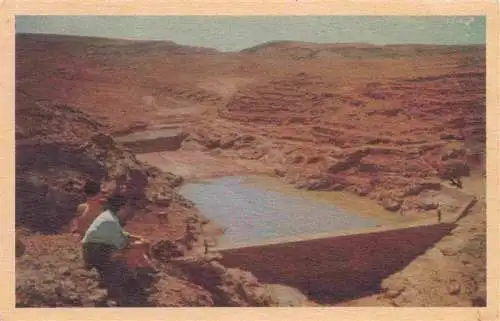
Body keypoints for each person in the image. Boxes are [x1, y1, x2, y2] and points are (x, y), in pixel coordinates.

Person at [81, 193, 157, 303]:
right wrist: (139, 243)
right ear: (121, 208)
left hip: (95, 250)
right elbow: (121, 244)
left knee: (137, 248)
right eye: (126, 207)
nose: (128, 210)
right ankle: (139, 279)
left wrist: (136, 237)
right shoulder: (110, 221)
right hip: (95, 254)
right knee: (134, 251)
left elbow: (122, 234)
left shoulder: (109, 216)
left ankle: (142, 276)